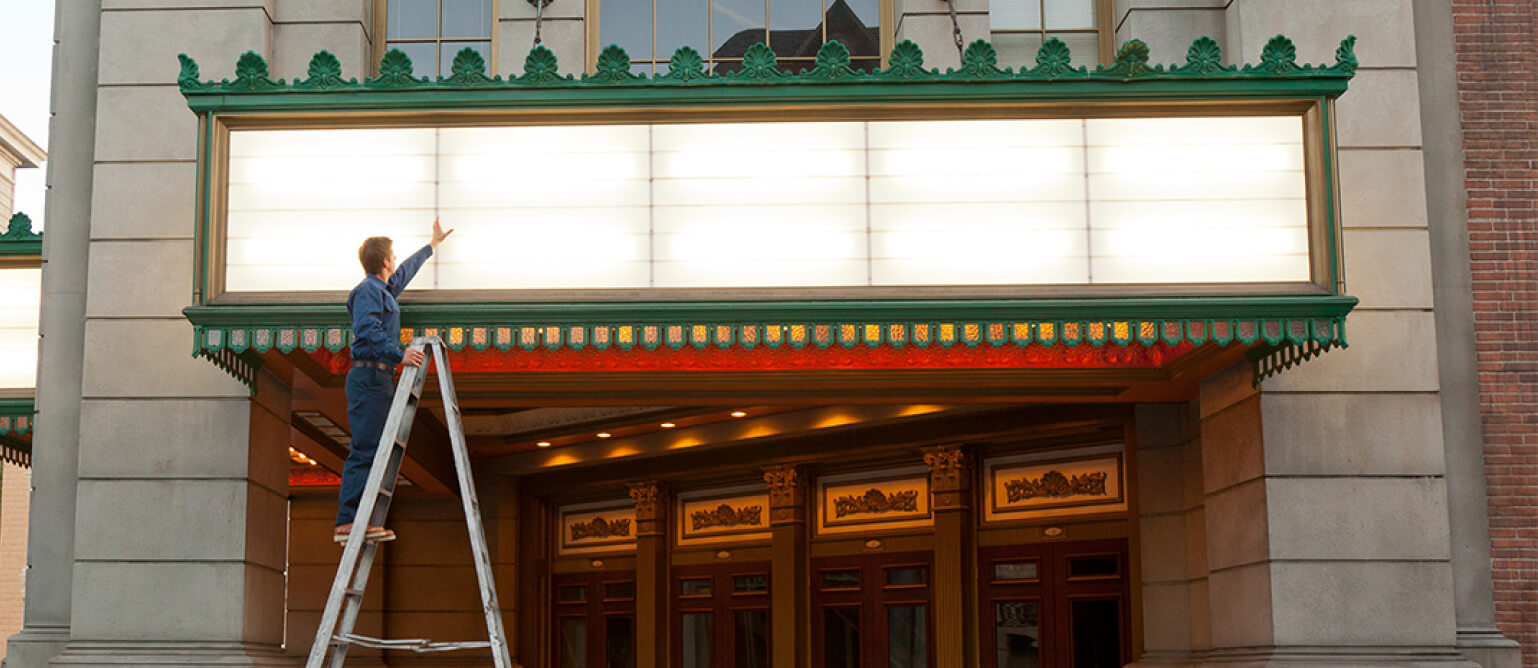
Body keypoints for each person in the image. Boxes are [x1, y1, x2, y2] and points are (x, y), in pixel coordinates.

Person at [335, 219, 453, 543]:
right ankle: (348, 520)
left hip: (378, 378)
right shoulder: (367, 292)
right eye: (394, 256)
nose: (397, 260)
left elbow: (404, 274)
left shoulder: (381, 289)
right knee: (365, 449)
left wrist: (432, 246)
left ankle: (362, 520)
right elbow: (369, 332)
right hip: (371, 375)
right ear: (385, 261)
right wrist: (398, 354)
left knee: (376, 450)